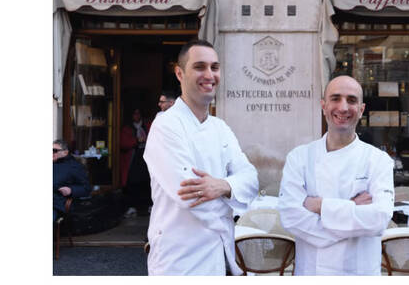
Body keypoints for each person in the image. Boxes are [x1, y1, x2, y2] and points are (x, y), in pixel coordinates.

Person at [143, 40, 258, 275]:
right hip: (179, 258)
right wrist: (232, 197)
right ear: (179, 73)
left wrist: (223, 185)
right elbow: (189, 196)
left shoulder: (220, 127)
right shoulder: (166, 126)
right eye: (199, 67)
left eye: (214, 67)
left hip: (217, 255)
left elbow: (252, 179)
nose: (209, 75)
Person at [277, 75, 395, 275]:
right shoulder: (299, 157)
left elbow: (379, 218)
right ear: (323, 106)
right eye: (335, 98)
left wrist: (320, 206)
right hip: (312, 272)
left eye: (351, 100)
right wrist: (352, 209)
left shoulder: (378, 160)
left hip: (360, 272)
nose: (343, 107)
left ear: (361, 110)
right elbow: (290, 217)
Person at [120, 108, 152, 217]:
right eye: (134, 113)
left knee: (148, 181)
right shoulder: (127, 128)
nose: (136, 116)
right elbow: (123, 143)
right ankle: (132, 207)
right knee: (132, 182)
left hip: (148, 157)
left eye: (138, 113)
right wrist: (137, 141)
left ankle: (150, 205)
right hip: (133, 158)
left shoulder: (148, 125)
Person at [53, 139, 91, 222]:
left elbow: (86, 188)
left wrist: (71, 190)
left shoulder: (74, 167)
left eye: (54, 151)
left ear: (65, 152)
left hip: (56, 205)